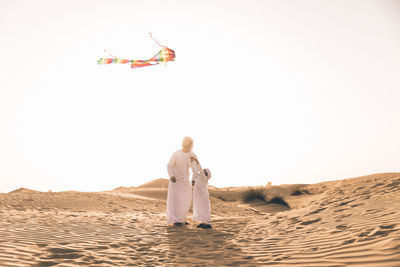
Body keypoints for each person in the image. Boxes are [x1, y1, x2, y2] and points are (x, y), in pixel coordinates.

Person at [166, 137, 196, 226]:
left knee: (185, 200)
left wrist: (194, 179)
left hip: (186, 181)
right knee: (175, 200)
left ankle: (182, 218)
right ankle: (176, 220)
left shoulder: (192, 155)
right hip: (176, 181)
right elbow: (169, 166)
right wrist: (171, 175)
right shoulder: (176, 153)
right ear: (183, 144)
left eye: (190, 145)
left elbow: (194, 168)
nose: (188, 147)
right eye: (187, 145)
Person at [190, 156, 212, 229]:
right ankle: (203, 223)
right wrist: (192, 162)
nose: (203, 172)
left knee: (205, 208)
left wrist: (197, 161)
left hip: (203, 196)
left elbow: (199, 168)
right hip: (198, 195)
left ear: (207, 174)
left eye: (205, 172)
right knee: (200, 208)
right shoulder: (198, 176)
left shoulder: (204, 178)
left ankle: (208, 224)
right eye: (204, 171)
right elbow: (195, 171)